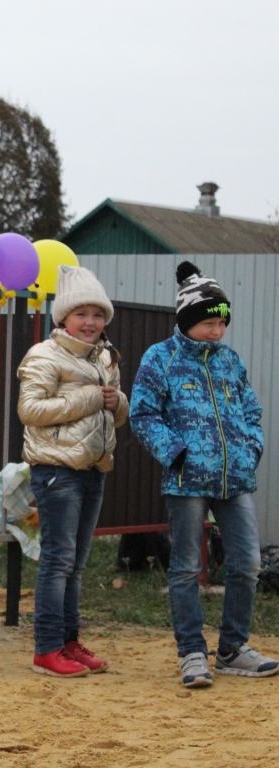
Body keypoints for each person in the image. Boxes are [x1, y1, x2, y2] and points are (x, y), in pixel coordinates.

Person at [130, 261, 278, 689]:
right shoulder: (159, 358)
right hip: (186, 482)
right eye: (209, 322)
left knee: (247, 563)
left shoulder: (231, 361)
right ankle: (192, 653)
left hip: (235, 481)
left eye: (222, 322)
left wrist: (249, 452)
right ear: (188, 319)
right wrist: (175, 455)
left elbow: (251, 412)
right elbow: (143, 414)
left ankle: (232, 649)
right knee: (184, 568)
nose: (217, 330)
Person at [17, 265, 128, 677]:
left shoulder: (105, 357)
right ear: (63, 317)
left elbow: (113, 418)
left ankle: (68, 642)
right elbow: (29, 411)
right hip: (56, 471)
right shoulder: (44, 356)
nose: (91, 323)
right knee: (58, 561)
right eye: (82, 314)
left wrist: (119, 404)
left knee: (77, 564)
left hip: (93, 469)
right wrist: (88, 399)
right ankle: (46, 649)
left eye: (98, 315)